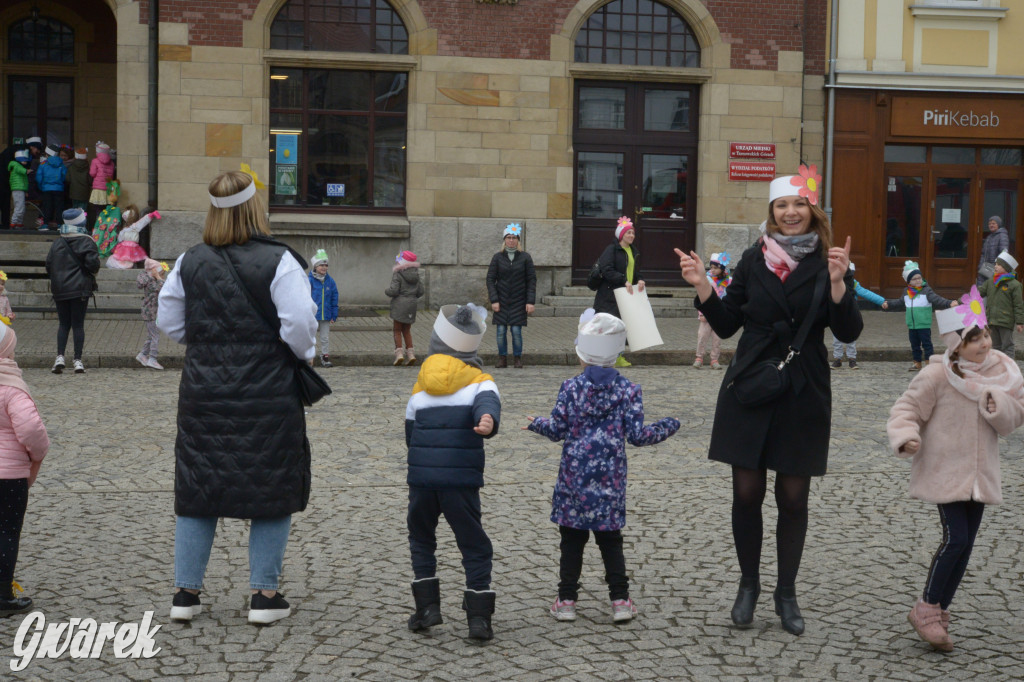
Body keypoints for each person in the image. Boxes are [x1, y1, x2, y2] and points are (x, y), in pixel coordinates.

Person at [674, 165, 863, 636]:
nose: (790, 212)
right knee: (746, 493)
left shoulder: (830, 261)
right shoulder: (753, 259)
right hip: (752, 383)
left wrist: (838, 283)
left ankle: (787, 592)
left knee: (793, 498)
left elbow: (848, 331)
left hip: (804, 388)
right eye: (782, 205)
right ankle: (748, 586)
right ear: (772, 212)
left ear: (813, 211)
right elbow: (726, 324)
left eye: (799, 205)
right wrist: (702, 286)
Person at [157, 170, 317, 625]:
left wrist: (208, 342)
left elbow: (169, 321)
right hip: (267, 391)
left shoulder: (189, 260)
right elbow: (300, 324)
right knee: (271, 484)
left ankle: (185, 593)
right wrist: (300, 354)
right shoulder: (280, 260)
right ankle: (264, 596)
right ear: (255, 208)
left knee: (198, 484)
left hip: (203, 391)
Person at [887, 291, 1024, 651]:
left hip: (979, 475)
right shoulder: (937, 375)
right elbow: (906, 409)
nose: (984, 343)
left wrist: (999, 406)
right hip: (945, 471)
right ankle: (926, 608)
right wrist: (907, 436)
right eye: (974, 339)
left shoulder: (1002, 373)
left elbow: (1014, 417)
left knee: (966, 546)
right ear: (956, 345)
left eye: (985, 335)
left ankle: (940, 611)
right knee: (956, 540)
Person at [525, 311, 679, 623]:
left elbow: (556, 429)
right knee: (610, 540)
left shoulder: (571, 387)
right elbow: (637, 435)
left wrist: (536, 423)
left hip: (574, 477)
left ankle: (566, 600)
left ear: (583, 354)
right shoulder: (629, 390)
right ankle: (620, 601)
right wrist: (668, 425)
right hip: (610, 479)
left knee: (572, 540)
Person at [405, 303, 500, 641]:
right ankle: (478, 618)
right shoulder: (481, 382)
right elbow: (488, 406)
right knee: (473, 543)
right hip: (460, 482)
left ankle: (427, 608)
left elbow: (410, 434)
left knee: (421, 538)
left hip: (422, 480)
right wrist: (487, 421)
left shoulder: (420, 387)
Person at [0, 321, 50, 617]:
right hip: (8, 477)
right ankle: (2, 594)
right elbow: (31, 429)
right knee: (6, 531)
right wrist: (38, 453)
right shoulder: (11, 388)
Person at [45, 208, 100, 375]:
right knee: (78, 325)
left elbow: (48, 266)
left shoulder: (57, 243)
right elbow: (93, 265)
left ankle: (59, 357)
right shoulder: (87, 241)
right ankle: (77, 360)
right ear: (81, 223)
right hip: (80, 289)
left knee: (63, 324)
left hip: (60, 289)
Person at [881, 261, 957, 371]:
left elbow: (937, 299)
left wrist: (949, 303)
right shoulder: (906, 292)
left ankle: (929, 363)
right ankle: (917, 363)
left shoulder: (926, 291)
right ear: (908, 281)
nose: (918, 280)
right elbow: (900, 302)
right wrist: (889, 304)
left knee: (927, 344)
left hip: (923, 324)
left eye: (919, 278)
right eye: (914, 279)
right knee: (914, 345)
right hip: (912, 324)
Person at [593, 216, 645, 368]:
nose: (631, 236)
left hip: (626, 295)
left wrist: (640, 279)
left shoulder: (633, 251)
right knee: (609, 328)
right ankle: (603, 357)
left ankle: (618, 356)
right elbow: (607, 270)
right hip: (610, 295)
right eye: (628, 233)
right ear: (621, 235)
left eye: (633, 233)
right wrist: (623, 280)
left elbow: (635, 271)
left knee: (622, 328)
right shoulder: (611, 250)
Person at [486, 223, 537, 369]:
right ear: (504, 240)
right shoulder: (497, 258)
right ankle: (502, 358)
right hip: (501, 300)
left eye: (514, 238)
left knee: (516, 331)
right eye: (508, 237)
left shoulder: (525, 257)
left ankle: (517, 358)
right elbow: (490, 279)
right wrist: (494, 300)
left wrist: (530, 301)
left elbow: (531, 280)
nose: (511, 240)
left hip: (519, 301)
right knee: (501, 331)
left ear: (518, 240)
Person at [831, 262, 885, 369]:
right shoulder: (834, 283)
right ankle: (837, 359)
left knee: (851, 337)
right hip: (837, 315)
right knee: (836, 338)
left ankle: (852, 359)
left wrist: (881, 301)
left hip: (851, 314)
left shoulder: (854, 285)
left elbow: (866, 293)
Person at [977, 251, 1024, 357]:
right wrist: (960, 301)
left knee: (1007, 346)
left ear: (1006, 268)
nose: (995, 266)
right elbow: (977, 293)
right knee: (995, 346)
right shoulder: (991, 282)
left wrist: (1020, 322)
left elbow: (1018, 305)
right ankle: (998, 365)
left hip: (1005, 321)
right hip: (992, 320)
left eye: (999, 265)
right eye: (995, 264)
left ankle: (1009, 365)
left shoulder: (1015, 285)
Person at [385, 250, 423, 366]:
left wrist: (387, 291)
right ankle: (411, 355)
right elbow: (421, 291)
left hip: (399, 305)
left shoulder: (398, 274)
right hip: (411, 305)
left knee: (397, 330)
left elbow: (394, 291)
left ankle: (399, 354)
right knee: (407, 330)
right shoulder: (416, 275)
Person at [694, 253, 730, 369]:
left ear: (722, 268)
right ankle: (699, 357)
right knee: (702, 336)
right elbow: (701, 296)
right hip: (707, 313)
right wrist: (701, 312)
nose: (712, 270)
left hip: (720, 314)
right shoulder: (707, 280)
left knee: (717, 338)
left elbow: (730, 297)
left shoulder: (729, 281)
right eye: (711, 267)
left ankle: (714, 359)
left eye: (716, 268)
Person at [308, 249, 339, 367]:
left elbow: (334, 298)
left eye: (326, 265)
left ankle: (325, 357)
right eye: (321, 265)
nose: (324, 267)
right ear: (315, 267)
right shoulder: (309, 280)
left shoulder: (330, 282)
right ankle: (309, 357)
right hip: (312, 315)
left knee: (325, 337)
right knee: (311, 337)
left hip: (325, 314)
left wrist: (334, 314)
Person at [136, 258, 167, 370]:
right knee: (155, 336)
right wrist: (158, 277)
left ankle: (143, 354)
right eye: (161, 272)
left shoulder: (152, 280)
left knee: (151, 335)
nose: (163, 275)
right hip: (151, 312)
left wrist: (158, 277)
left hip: (152, 312)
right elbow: (165, 288)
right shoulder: (152, 282)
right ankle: (152, 359)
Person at [35, 146, 67, 231]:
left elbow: (39, 177)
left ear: (47, 154)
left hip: (46, 189)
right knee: (59, 207)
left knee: (47, 207)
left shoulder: (43, 164)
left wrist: (41, 187)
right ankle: (60, 224)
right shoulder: (61, 164)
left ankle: (45, 224)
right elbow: (64, 176)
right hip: (59, 189)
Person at [88, 142, 115, 230]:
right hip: (107, 189)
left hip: (98, 189)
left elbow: (92, 173)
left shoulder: (95, 161)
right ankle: (105, 226)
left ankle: (98, 227)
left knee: (97, 210)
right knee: (106, 209)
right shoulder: (111, 162)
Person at [977, 216, 1009, 287]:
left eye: (994, 223)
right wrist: (980, 265)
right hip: (985, 267)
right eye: (990, 224)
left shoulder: (1002, 236)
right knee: (983, 287)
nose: (991, 225)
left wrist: (997, 266)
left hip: (994, 268)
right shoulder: (989, 237)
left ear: (998, 224)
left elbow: (1004, 253)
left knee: (992, 288)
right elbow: (983, 253)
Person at [7, 150, 29, 229]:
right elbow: (23, 171)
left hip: (19, 189)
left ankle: (18, 223)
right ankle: (14, 222)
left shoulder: (15, 166)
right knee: (20, 207)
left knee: (20, 207)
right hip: (18, 189)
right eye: (24, 160)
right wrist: (28, 171)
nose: (26, 162)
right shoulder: (17, 166)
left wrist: (25, 190)